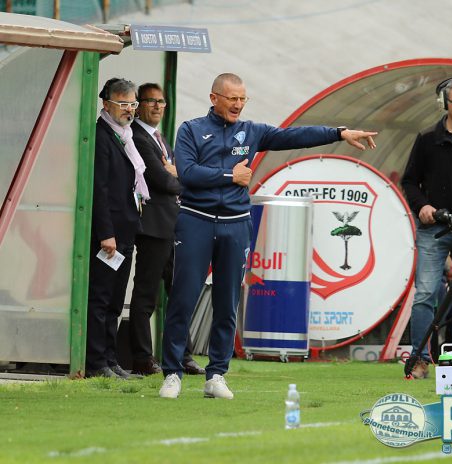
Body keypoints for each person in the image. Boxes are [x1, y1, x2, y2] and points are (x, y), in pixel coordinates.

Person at [159, 73, 377, 398]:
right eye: (232, 98)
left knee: (227, 303)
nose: (238, 104)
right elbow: (187, 173)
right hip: (196, 221)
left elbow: (294, 136)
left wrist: (339, 133)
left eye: (242, 99)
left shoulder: (252, 131)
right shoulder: (191, 129)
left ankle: (216, 375)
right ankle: (172, 374)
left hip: (236, 224)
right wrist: (229, 175)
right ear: (214, 98)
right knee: (183, 299)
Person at [401, 77, 452, 379]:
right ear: (444, 104)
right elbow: (410, 181)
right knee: (425, 294)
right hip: (434, 228)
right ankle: (420, 358)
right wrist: (422, 206)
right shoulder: (427, 139)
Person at [128, 83, 205, 376]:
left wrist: (178, 175)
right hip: (153, 228)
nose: (158, 107)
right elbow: (163, 181)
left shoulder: (158, 138)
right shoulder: (138, 137)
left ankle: (182, 355)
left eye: (161, 102)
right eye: (151, 101)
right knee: (146, 296)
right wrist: (188, 179)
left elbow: (174, 176)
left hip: (173, 227)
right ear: (138, 105)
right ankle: (142, 358)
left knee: (179, 293)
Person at [86, 78, 148, 379]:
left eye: (132, 104)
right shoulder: (101, 136)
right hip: (109, 235)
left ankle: (111, 360)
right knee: (100, 298)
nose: (129, 110)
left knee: (115, 300)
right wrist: (106, 233)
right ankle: (96, 361)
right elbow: (99, 189)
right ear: (106, 104)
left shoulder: (126, 136)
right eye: (122, 104)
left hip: (126, 230)